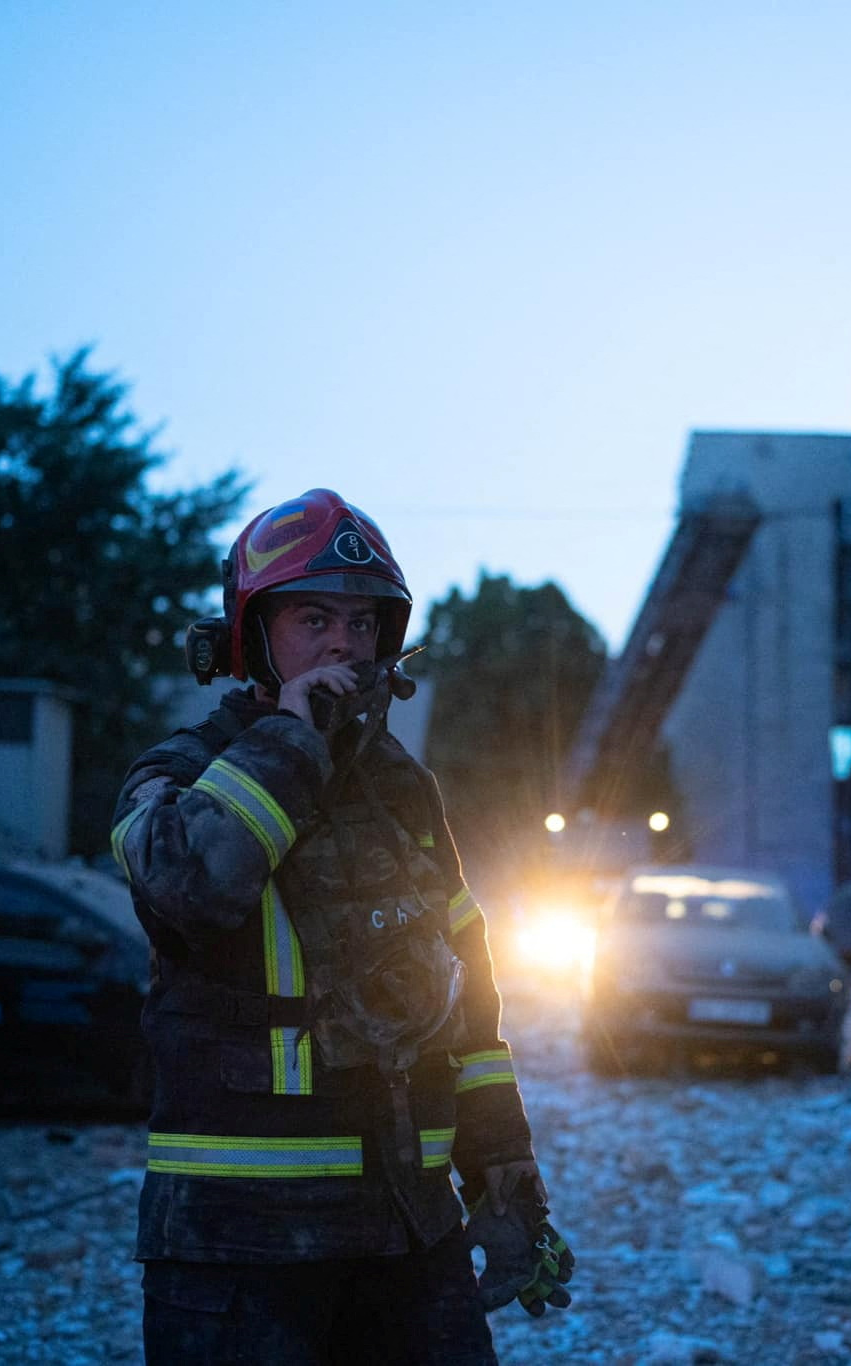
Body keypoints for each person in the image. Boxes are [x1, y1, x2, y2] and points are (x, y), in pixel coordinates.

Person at [108, 489, 571, 1365]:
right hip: (239, 1253)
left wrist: (506, 1173)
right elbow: (188, 888)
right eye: (314, 617)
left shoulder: (403, 792)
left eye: (363, 624)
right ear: (253, 638)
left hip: (407, 1237)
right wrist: (291, 740)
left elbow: (469, 1010)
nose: (344, 645)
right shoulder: (181, 773)